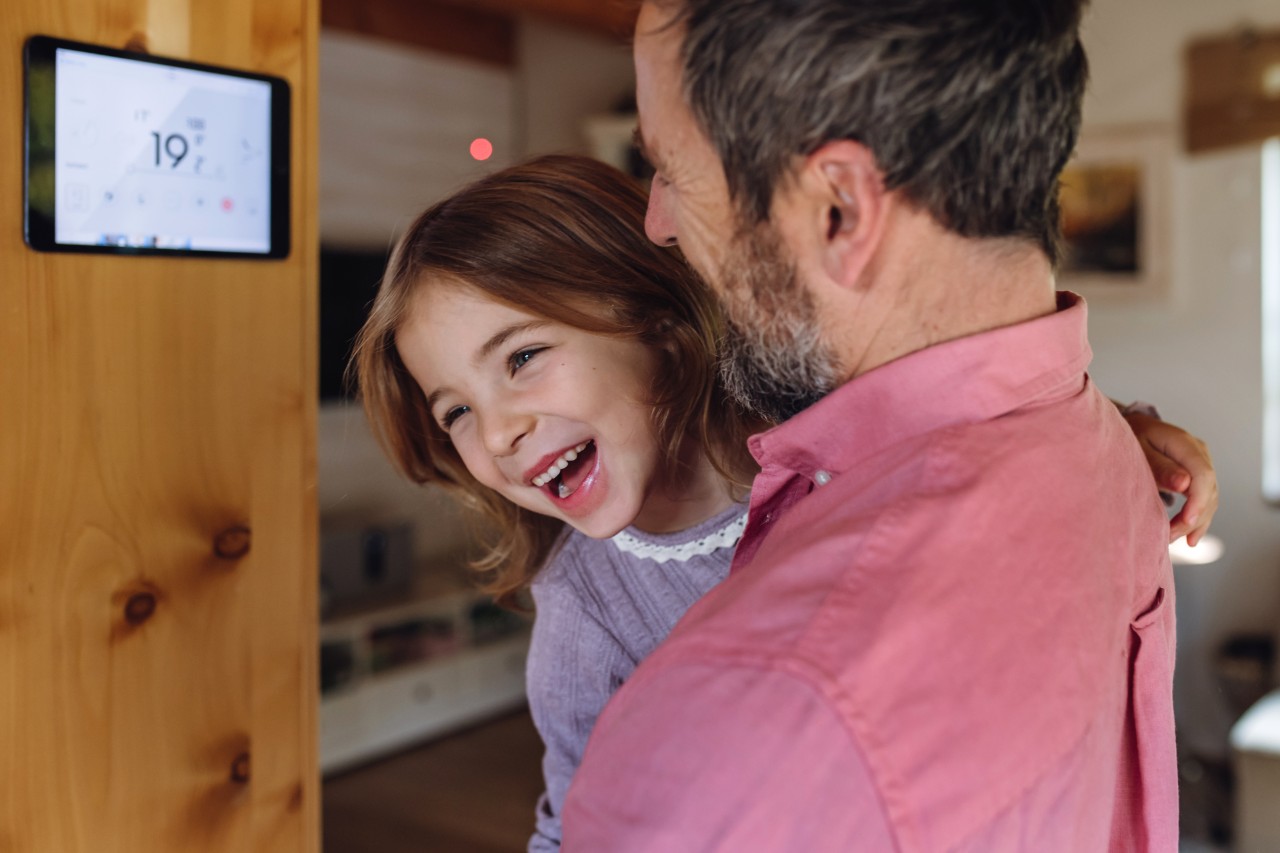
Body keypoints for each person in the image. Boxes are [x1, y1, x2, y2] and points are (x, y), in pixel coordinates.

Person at [560, 1, 1206, 850]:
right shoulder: (1104, 453)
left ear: (840, 210)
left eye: (672, 170)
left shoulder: (742, 739)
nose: (657, 222)